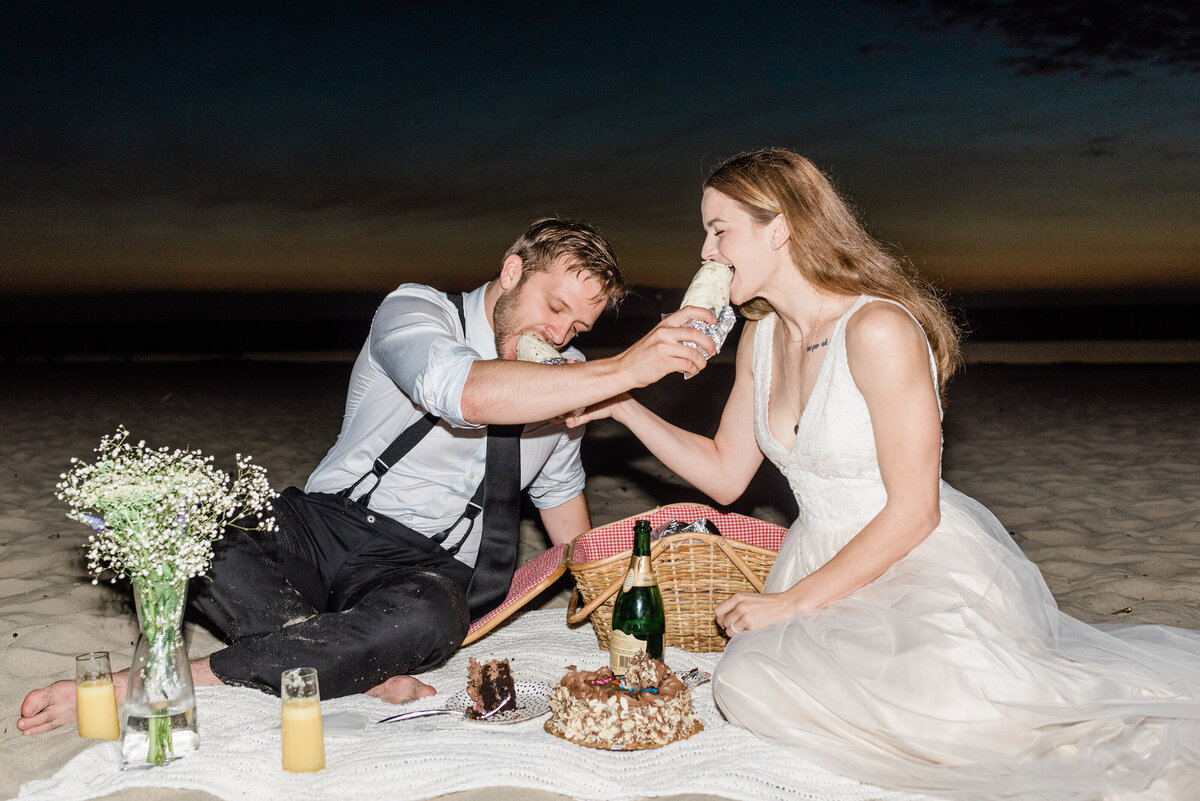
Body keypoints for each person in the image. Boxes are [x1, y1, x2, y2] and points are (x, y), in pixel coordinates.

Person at [569, 150, 1200, 798]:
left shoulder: (877, 328)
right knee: (745, 685)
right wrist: (620, 400)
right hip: (815, 554)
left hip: (914, 555)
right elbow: (727, 475)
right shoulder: (759, 339)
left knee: (951, 713)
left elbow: (915, 511)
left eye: (719, 229)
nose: (705, 250)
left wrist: (787, 602)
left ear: (779, 228)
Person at [18, 216, 717, 735]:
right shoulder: (416, 312)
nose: (561, 335)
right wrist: (625, 367)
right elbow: (463, 393)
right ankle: (342, 657)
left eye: (579, 327)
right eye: (553, 307)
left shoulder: (568, 379)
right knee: (199, 526)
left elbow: (566, 512)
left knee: (429, 619)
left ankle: (171, 679)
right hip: (320, 527)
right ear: (510, 272)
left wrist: (611, 597)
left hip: (423, 568)